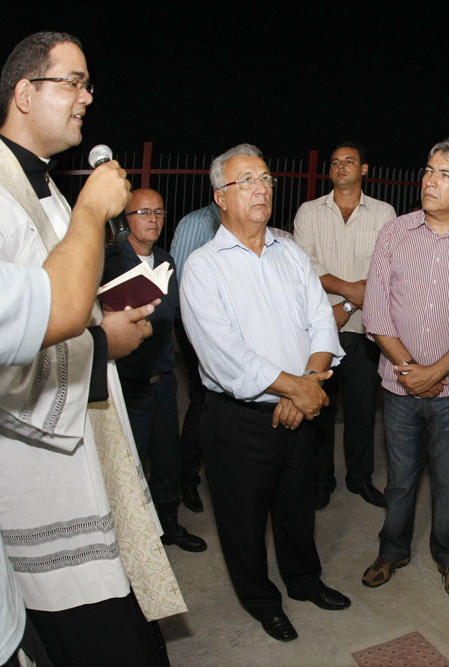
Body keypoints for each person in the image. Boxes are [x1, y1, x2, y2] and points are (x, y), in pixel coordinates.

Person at [0, 31, 183, 665]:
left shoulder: (46, 188)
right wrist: (102, 344)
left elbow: (63, 297)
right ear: (25, 93)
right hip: (39, 479)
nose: (88, 97)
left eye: (87, 84)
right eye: (73, 82)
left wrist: (107, 314)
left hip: (89, 455)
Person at [0, 157, 129, 667]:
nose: (83, 110)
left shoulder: (44, 184)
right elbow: (38, 324)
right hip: (27, 467)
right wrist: (91, 211)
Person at [180, 143, 349, 642]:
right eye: (247, 181)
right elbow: (225, 356)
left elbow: (321, 320)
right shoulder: (204, 267)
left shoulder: (290, 252)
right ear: (221, 197)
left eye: (266, 179)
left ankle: (305, 581)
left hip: (300, 407)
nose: (261, 189)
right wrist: (300, 389)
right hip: (240, 420)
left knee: (297, 506)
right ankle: (261, 600)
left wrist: (305, 387)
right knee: (243, 519)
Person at [360, 138, 449, 600]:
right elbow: (375, 313)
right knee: (400, 482)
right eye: (428, 170)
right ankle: (392, 550)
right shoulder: (394, 233)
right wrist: (411, 370)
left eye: (445, 174)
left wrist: (435, 372)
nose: (430, 181)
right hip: (398, 386)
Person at [103, 188, 206, 552]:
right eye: (144, 212)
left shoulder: (166, 261)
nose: (153, 219)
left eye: (159, 212)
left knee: (167, 459)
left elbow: (176, 315)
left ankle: (169, 526)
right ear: (126, 219)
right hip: (126, 383)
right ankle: (130, 540)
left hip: (162, 380)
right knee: (127, 464)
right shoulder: (110, 262)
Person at [294, 141, 395, 510]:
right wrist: (351, 292)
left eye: (349, 161)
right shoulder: (309, 212)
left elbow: (385, 268)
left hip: (366, 330)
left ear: (364, 169)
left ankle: (360, 478)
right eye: (335, 162)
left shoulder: (384, 213)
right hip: (320, 329)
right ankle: (322, 481)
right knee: (320, 410)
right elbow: (305, 266)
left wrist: (349, 304)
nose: (341, 167)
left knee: (363, 411)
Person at [169, 199, 222, 514]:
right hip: (195, 325)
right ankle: (185, 477)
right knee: (202, 399)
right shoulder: (199, 223)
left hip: (222, 326)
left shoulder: (231, 223)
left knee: (218, 401)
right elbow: (176, 283)